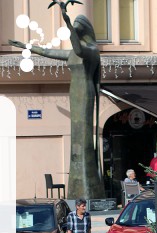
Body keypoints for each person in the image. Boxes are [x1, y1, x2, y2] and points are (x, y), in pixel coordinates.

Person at [10, 2, 104, 199]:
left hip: (85, 93)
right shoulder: (74, 52)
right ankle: (77, 189)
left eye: (78, 27)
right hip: (74, 92)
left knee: (85, 137)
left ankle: (89, 188)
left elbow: (78, 50)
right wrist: (26, 46)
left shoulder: (91, 50)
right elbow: (48, 52)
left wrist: (68, 22)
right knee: (76, 137)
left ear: (83, 29)